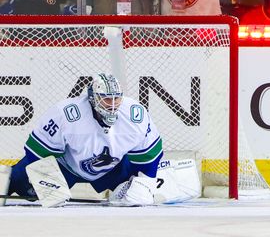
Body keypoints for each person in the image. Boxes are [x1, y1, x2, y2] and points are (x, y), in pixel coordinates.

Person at [4, 73, 163, 206]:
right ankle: (6, 179)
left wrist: (146, 182)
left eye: (117, 98)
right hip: (66, 167)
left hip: (113, 168)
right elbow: (36, 151)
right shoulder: (67, 114)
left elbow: (149, 156)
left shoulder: (134, 115)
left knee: (141, 196)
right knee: (19, 180)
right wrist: (46, 180)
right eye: (107, 99)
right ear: (93, 98)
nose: (113, 105)